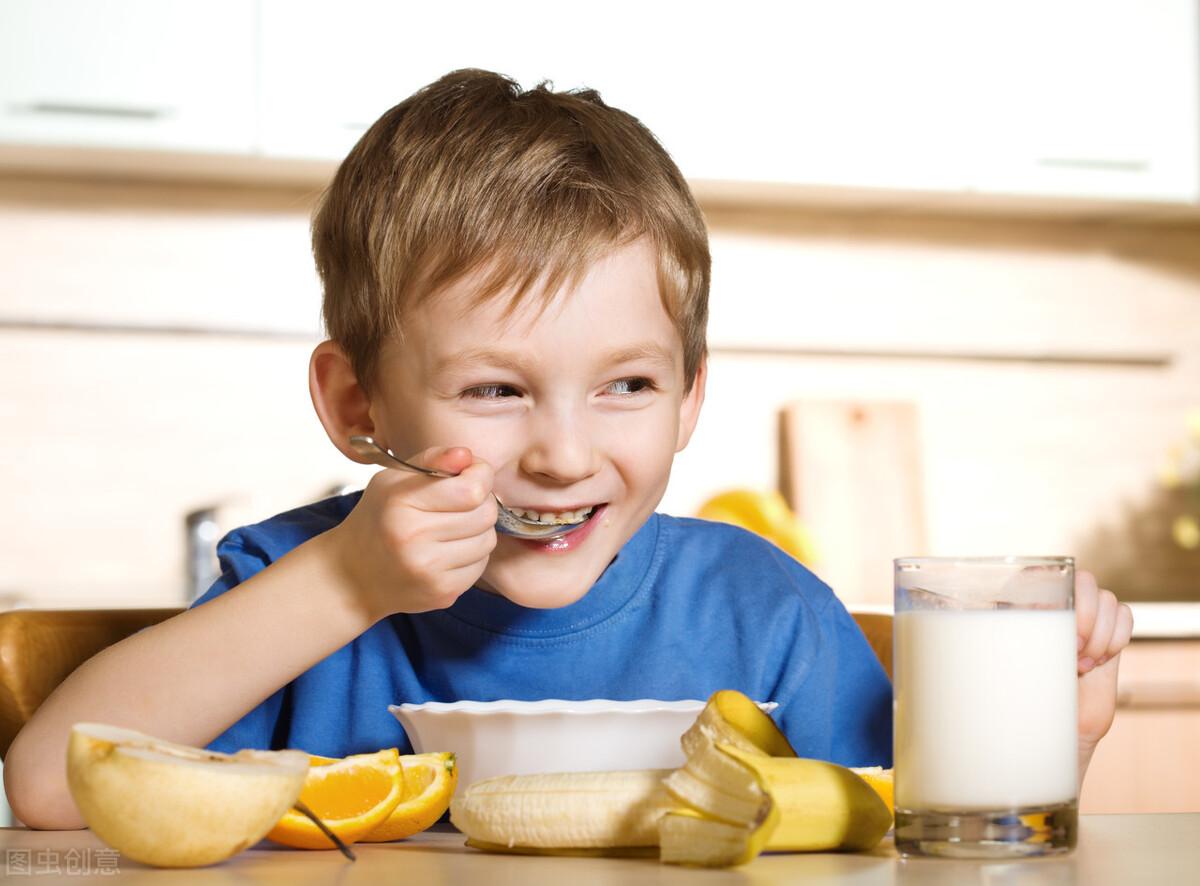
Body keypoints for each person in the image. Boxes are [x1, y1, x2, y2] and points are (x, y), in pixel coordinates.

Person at [4, 70, 1133, 829]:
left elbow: (913, 838)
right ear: (356, 399)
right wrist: (344, 582)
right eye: (495, 389)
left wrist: (1053, 737)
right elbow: (52, 786)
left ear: (691, 396)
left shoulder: (764, 612)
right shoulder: (300, 591)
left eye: (626, 386)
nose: (562, 452)